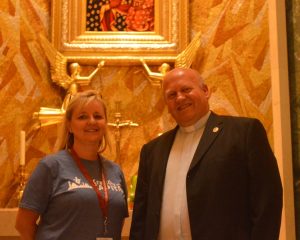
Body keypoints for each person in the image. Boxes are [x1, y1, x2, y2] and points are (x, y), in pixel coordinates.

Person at [130, 68, 283, 240]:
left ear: (206, 91)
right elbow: (141, 219)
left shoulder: (244, 133)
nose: (180, 97)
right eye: (171, 95)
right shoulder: (152, 151)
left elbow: (267, 202)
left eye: (186, 89)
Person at [15, 90, 128, 240]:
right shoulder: (50, 166)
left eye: (98, 116)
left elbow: (117, 223)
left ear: (105, 123)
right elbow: (23, 224)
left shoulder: (115, 171)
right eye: (82, 117)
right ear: (69, 125)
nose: (92, 121)